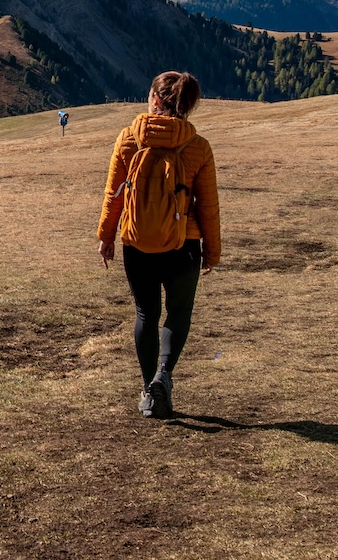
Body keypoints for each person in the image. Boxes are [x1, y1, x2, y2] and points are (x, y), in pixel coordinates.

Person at [97, 70, 220, 420]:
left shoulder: (128, 139)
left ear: (154, 99)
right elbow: (207, 205)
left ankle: (147, 386)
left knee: (145, 314)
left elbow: (114, 195)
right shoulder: (197, 147)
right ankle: (163, 376)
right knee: (178, 313)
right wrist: (212, 251)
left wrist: (106, 237)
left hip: (137, 242)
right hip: (184, 244)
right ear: (188, 105)